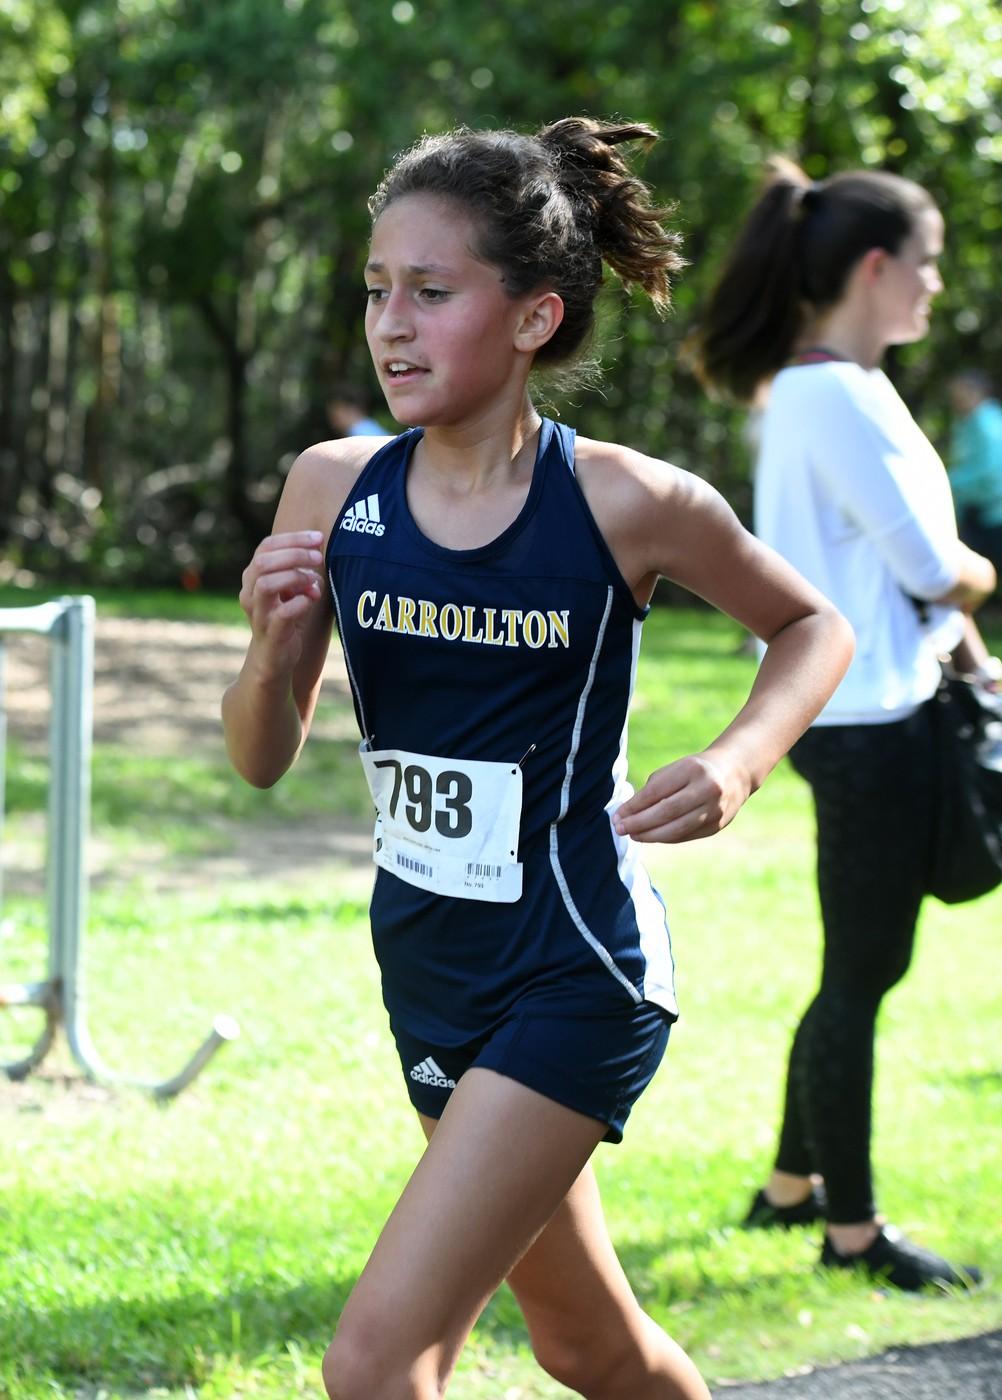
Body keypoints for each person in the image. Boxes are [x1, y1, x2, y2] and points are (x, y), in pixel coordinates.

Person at [222, 120, 853, 1400]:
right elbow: (260, 757)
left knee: (374, 1363)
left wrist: (737, 761)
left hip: (577, 966)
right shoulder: (333, 487)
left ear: (533, 316)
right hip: (428, 959)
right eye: (376, 290)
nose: (391, 325)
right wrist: (269, 649)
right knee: (587, 1345)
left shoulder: (627, 501)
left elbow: (812, 626)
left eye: (431, 291)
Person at [691, 157, 999, 1292]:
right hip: (867, 719)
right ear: (876, 267)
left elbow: (899, 576)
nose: (934, 284)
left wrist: (969, 645)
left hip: (874, 704)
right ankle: (854, 1233)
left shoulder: (825, 386)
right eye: (927, 262)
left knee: (858, 966)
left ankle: (790, 1188)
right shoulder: (835, 395)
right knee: (862, 974)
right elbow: (933, 566)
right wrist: (982, 573)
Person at [947, 368, 1002, 585]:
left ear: (976, 391)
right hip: (977, 512)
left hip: (994, 512)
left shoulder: (987, 421)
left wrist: (949, 480)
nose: (956, 400)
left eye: (960, 393)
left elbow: (988, 468)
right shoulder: (966, 422)